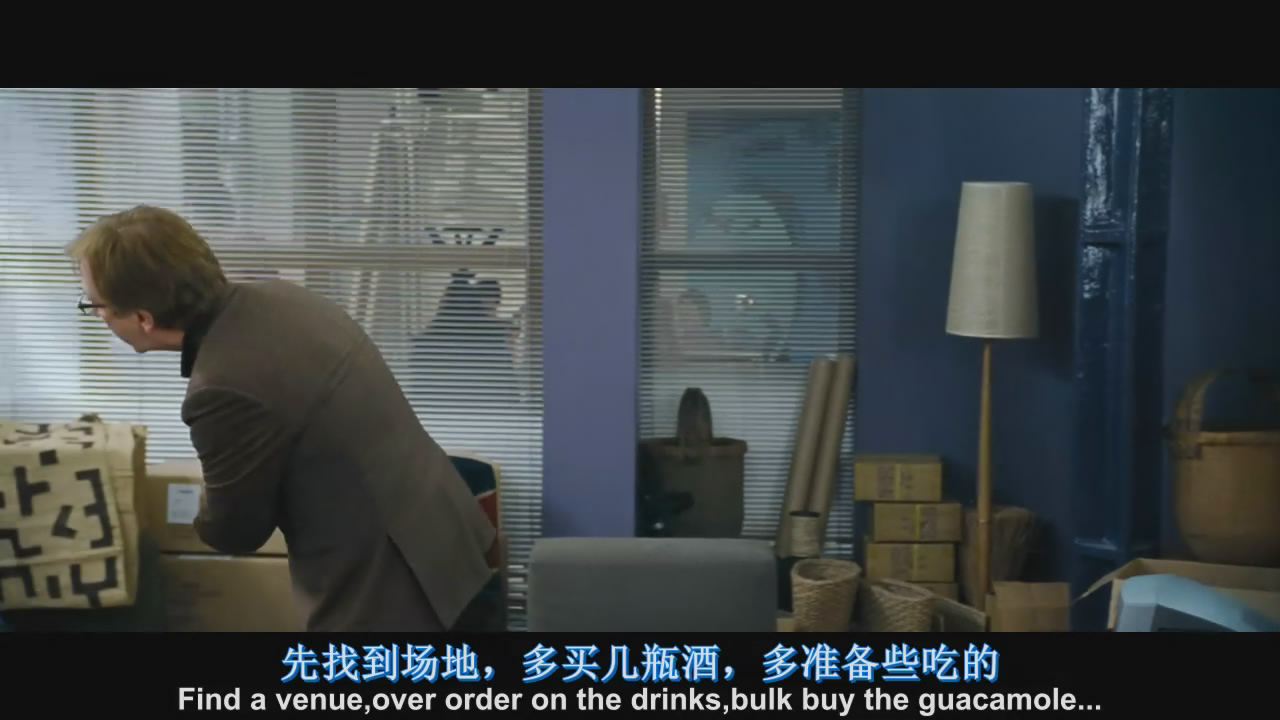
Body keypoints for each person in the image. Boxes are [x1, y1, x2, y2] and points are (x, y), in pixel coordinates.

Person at [66, 205, 498, 632]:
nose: (97, 315)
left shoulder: (222, 385)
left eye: (97, 305)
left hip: (393, 594)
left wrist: (198, 510)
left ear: (143, 318)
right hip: (448, 541)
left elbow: (235, 532)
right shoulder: (283, 299)